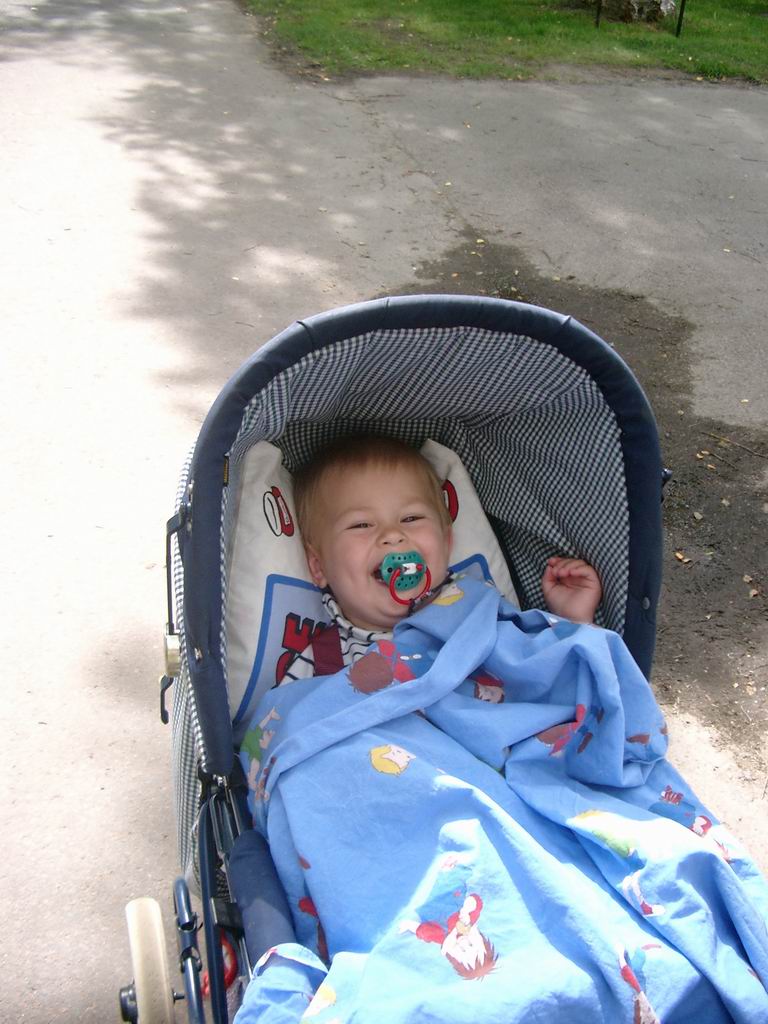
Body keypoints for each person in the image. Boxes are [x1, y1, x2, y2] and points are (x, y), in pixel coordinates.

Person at [279, 434, 602, 684]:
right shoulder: (317, 663)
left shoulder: (481, 611)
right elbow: (287, 734)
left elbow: (549, 680)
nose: (393, 535)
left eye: (411, 519)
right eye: (362, 525)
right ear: (319, 566)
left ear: (446, 543)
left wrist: (573, 620)